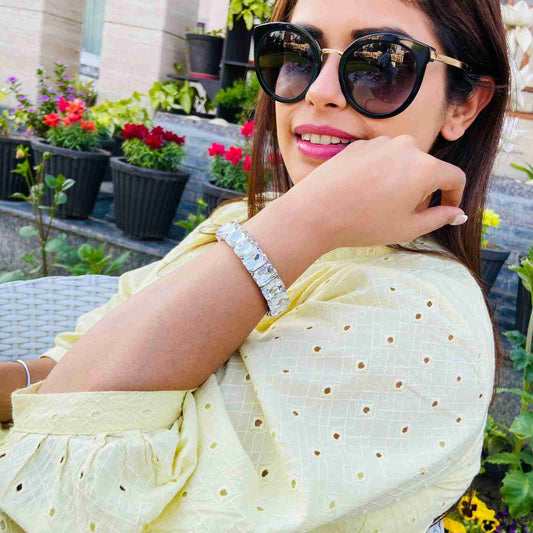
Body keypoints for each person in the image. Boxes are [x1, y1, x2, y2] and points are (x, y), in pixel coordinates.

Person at [0, 0, 510, 530]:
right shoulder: (250, 220)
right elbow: (73, 364)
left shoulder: (424, 324)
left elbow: (57, 474)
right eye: (297, 55)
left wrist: (305, 221)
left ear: (464, 106)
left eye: (380, 64)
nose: (319, 91)